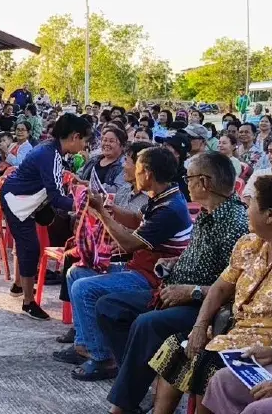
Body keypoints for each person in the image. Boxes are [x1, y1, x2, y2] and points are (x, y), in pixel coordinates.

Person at [149, 175, 272, 414]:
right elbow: (220, 288)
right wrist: (200, 325)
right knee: (177, 348)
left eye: (252, 202)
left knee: (208, 365)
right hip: (233, 331)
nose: (246, 207)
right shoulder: (250, 243)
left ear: (269, 215)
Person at [96, 152, 249, 413]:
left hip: (205, 306)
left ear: (204, 182)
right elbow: (201, 257)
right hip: (174, 291)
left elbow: (236, 288)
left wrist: (190, 292)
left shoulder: (234, 223)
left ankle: (123, 405)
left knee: (147, 323)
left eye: (189, 178)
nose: (186, 183)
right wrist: (175, 262)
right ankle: (137, 382)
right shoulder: (209, 213)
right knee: (109, 307)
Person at [53, 147, 192, 381]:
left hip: (152, 279)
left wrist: (102, 213)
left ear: (147, 173)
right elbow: (138, 219)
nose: (132, 171)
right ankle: (84, 344)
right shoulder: (162, 197)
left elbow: (129, 244)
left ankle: (103, 359)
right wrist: (109, 208)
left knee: (83, 288)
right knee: (75, 273)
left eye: (136, 167)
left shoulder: (170, 209)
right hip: (139, 269)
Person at [0, 113, 93, 320]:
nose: (85, 146)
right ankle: (28, 302)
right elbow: (56, 198)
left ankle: (18, 285)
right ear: (75, 136)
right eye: (85, 140)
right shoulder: (50, 154)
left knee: (26, 245)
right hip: (17, 201)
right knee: (30, 248)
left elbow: (53, 177)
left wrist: (71, 180)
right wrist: (85, 207)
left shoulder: (52, 149)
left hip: (21, 197)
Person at [76, 126, 127, 192]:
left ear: (122, 145)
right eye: (104, 140)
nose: (107, 144)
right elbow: (80, 174)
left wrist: (93, 186)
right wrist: (74, 178)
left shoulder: (124, 165)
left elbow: (119, 190)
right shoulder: (94, 159)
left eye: (111, 141)